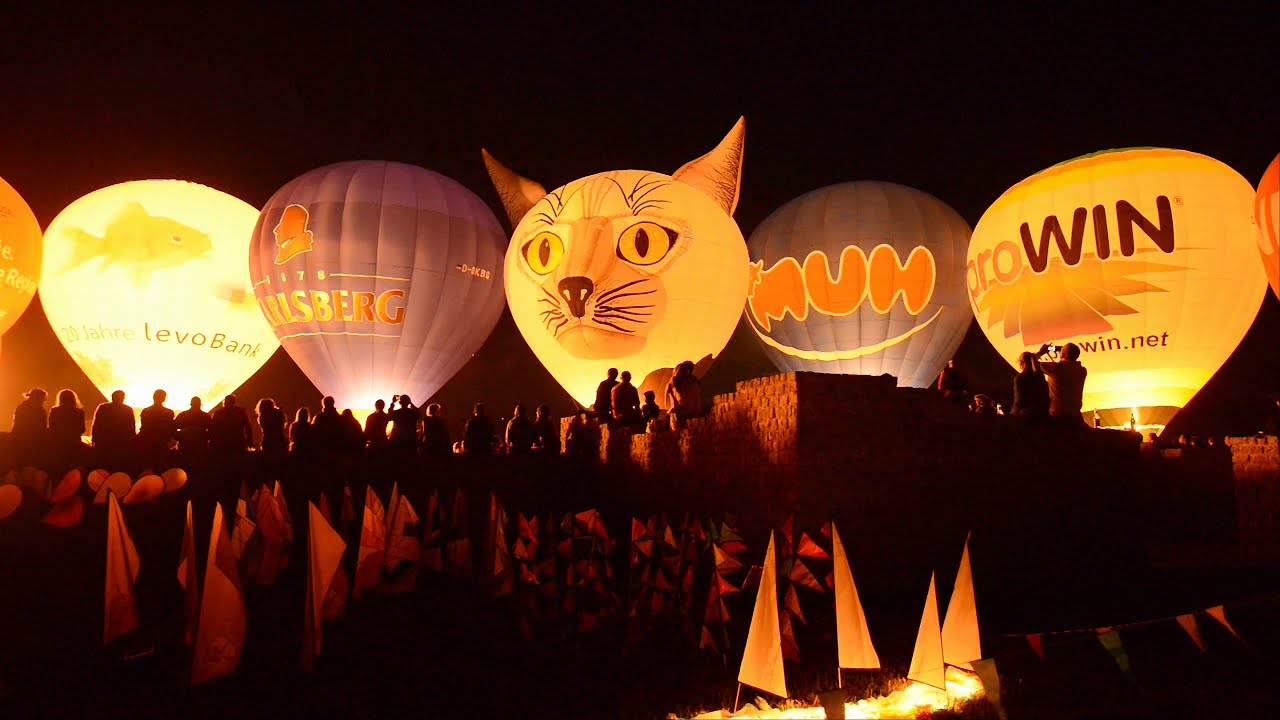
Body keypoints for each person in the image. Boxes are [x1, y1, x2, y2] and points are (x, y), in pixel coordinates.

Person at [1036, 342, 1087, 426]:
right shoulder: (1082, 370)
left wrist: (1042, 352)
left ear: (1062, 354)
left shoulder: (1055, 368)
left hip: (1058, 416)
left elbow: (1032, 363)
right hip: (1075, 416)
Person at [91, 390, 136, 469]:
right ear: (123, 398)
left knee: (103, 465)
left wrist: (94, 438)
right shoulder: (128, 410)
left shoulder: (103, 407)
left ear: (112, 398)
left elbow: (96, 424)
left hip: (104, 443)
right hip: (121, 444)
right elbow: (131, 428)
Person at [137, 389, 175, 467]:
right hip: (162, 443)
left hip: (147, 443)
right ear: (164, 399)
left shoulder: (146, 411)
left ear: (153, 397)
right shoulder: (169, 413)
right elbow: (171, 429)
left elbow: (143, 428)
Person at [11, 388, 49, 464]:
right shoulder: (40, 411)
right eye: (42, 399)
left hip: (18, 437)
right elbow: (42, 428)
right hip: (32, 442)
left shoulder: (21, 406)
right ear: (38, 398)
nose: (43, 401)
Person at [47, 389, 87, 459]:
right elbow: (82, 429)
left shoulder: (55, 411)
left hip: (58, 444)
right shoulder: (79, 412)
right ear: (74, 399)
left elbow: (51, 427)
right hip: (74, 443)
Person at [1010, 351, 1050, 420]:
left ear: (1021, 362)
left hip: (1027, 415)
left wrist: (1012, 414)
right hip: (1042, 414)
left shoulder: (1020, 378)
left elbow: (1019, 400)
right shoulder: (1040, 376)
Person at [665, 361, 702, 430]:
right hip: (695, 413)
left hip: (683, 415)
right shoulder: (694, 383)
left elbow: (674, 406)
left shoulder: (674, 385)